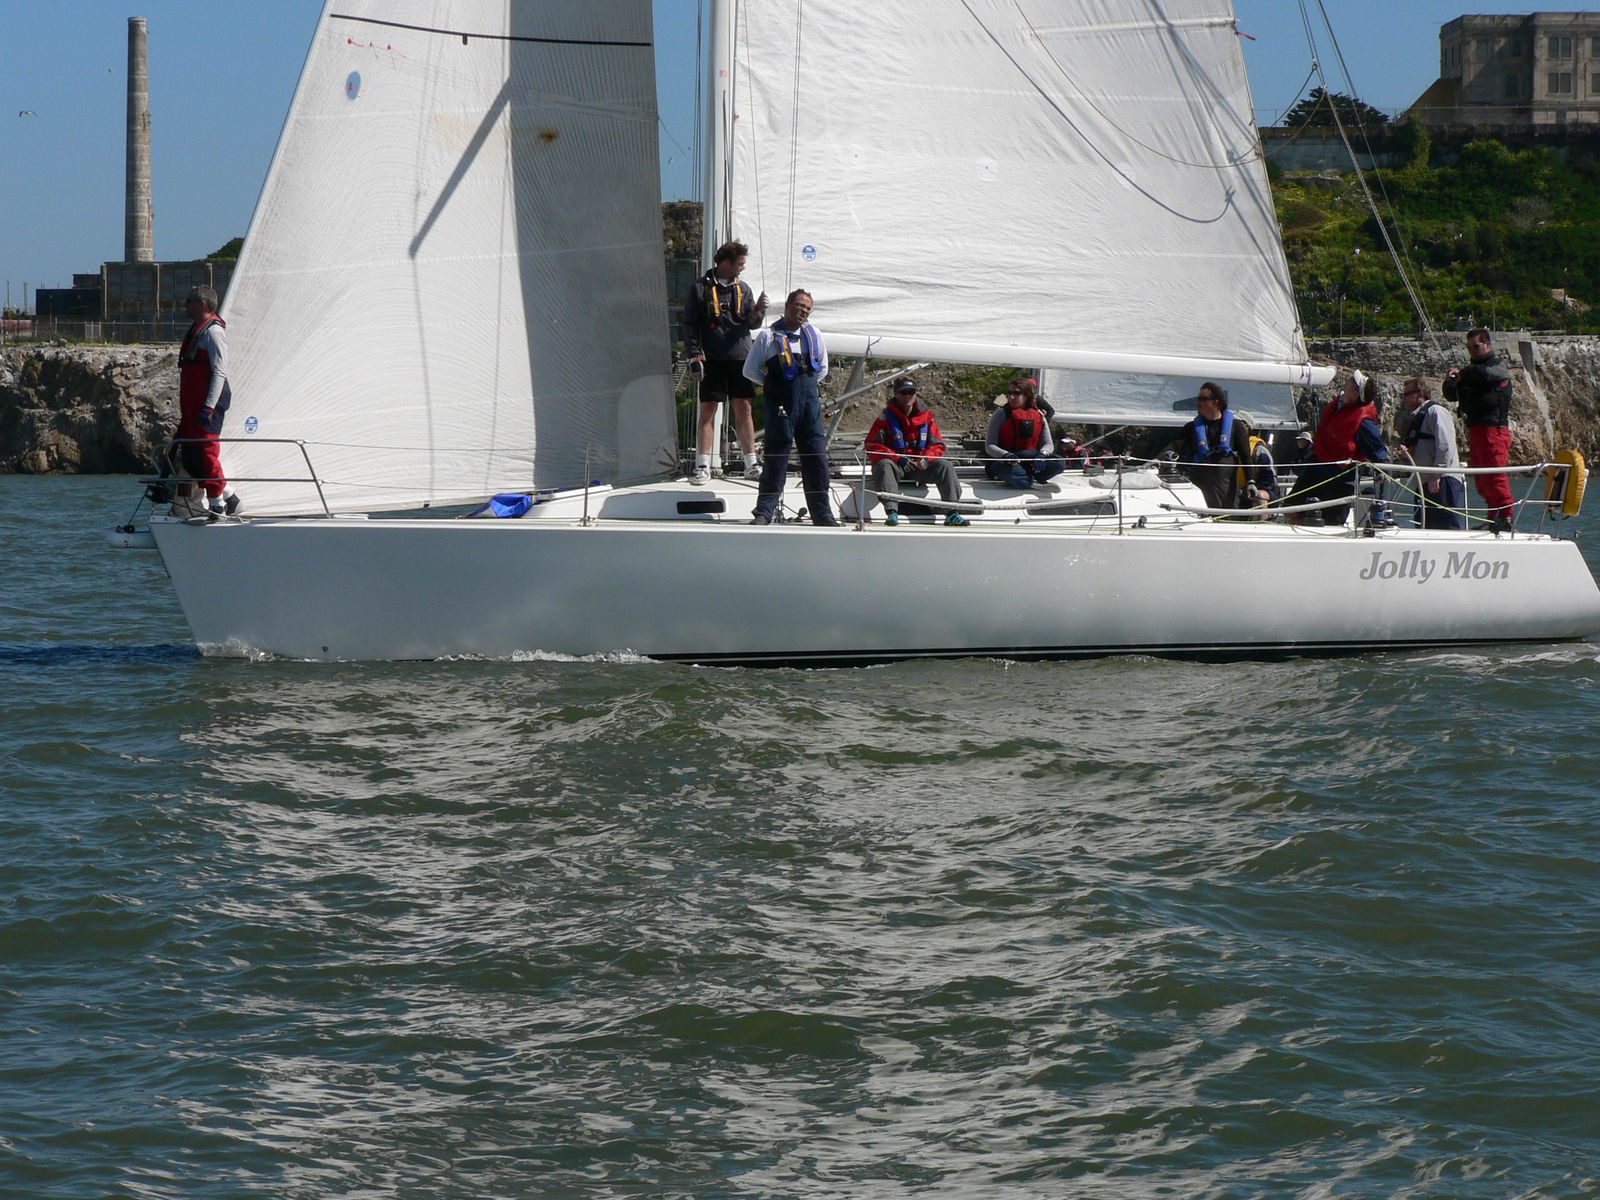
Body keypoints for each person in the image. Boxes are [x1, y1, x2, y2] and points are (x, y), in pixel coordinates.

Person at [744, 289, 838, 526]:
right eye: (799, 305)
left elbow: (822, 369)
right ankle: (764, 512)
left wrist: (804, 388)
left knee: (816, 457)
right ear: (788, 305)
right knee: (776, 457)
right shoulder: (767, 336)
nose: (803, 311)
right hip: (781, 406)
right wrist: (772, 385)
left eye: (807, 308)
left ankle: (822, 514)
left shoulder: (814, 335)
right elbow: (750, 370)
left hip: (809, 407)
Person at [683, 240, 767, 483]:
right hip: (712, 358)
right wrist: (694, 355)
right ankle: (703, 465)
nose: (742, 268)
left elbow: (751, 324)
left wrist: (758, 312)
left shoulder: (743, 289)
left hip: (740, 357)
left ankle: (751, 463)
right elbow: (690, 324)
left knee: (744, 407)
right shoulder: (700, 288)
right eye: (740, 263)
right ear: (727, 262)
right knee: (708, 410)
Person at [864, 377, 968, 527]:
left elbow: (938, 445)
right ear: (896, 394)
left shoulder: (926, 419)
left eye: (911, 392)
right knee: (884, 465)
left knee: (945, 466)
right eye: (903, 392)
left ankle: (952, 512)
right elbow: (872, 445)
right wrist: (898, 458)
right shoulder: (885, 418)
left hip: (919, 466)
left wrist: (926, 459)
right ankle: (892, 511)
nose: (907, 396)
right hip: (895, 466)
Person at [174, 285, 241, 517]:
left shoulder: (213, 332)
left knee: (205, 452)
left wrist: (208, 408)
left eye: (189, 301)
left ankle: (216, 505)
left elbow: (219, 372)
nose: (185, 305)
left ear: (202, 304)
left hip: (207, 404)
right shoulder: (197, 330)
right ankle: (230, 497)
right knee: (192, 456)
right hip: (193, 405)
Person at [1293, 369, 1390, 526]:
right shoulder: (1339, 406)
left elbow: (1377, 448)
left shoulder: (1363, 421)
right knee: (1291, 509)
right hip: (1316, 469)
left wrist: (1382, 468)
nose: (1347, 380)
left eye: (1352, 381)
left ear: (1355, 394)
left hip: (1338, 481)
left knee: (1329, 524)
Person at [1443, 327, 1514, 529]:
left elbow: (1487, 375)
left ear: (1487, 344)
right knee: (1482, 478)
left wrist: (1463, 374)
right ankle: (1492, 517)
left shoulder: (1496, 366)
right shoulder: (1471, 374)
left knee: (1496, 474)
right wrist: (1451, 382)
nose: (1472, 351)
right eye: (1469, 348)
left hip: (1494, 429)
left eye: (1476, 346)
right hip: (1476, 430)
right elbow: (1452, 395)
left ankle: (1506, 516)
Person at [1170, 383, 1262, 511]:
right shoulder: (1191, 428)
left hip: (1226, 491)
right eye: (1198, 399)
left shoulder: (1236, 427)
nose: (1198, 402)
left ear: (1216, 403)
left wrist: (1251, 481)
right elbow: (1175, 446)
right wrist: (1157, 460)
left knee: (1226, 515)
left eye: (1203, 399)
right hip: (1199, 487)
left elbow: (1246, 457)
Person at [1396, 377, 1465, 529]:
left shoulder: (1436, 412)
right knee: (1425, 528)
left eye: (1406, 394)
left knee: (1445, 527)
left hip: (1441, 481)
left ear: (1420, 394)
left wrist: (1436, 474)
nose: (1403, 398)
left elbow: (1445, 444)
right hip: (1424, 484)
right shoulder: (1418, 417)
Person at [984, 378, 1066, 488]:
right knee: (1004, 469)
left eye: (1016, 393)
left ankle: (1026, 479)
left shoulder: (1039, 415)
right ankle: (1031, 482)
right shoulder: (1001, 414)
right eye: (1009, 393)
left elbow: (1048, 444)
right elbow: (990, 445)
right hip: (1008, 462)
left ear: (1027, 395)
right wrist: (1006, 455)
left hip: (1031, 461)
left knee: (1059, 463)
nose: (1011, 397)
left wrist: (1042, 454)